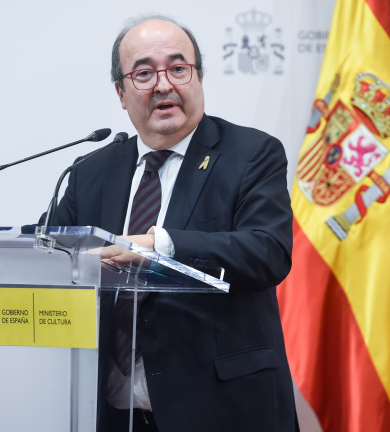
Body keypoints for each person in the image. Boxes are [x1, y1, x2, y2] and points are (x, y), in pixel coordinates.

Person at [52, 15, 298, 432]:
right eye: (144, 73)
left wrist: (159, 246)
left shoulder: (250, 154)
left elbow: (268, 252)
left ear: (198, 77)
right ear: (121, 92)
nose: (163, 84)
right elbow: (54, 254)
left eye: (178, 68)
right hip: (113, 415)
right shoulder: (90, 172)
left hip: (222, 411)